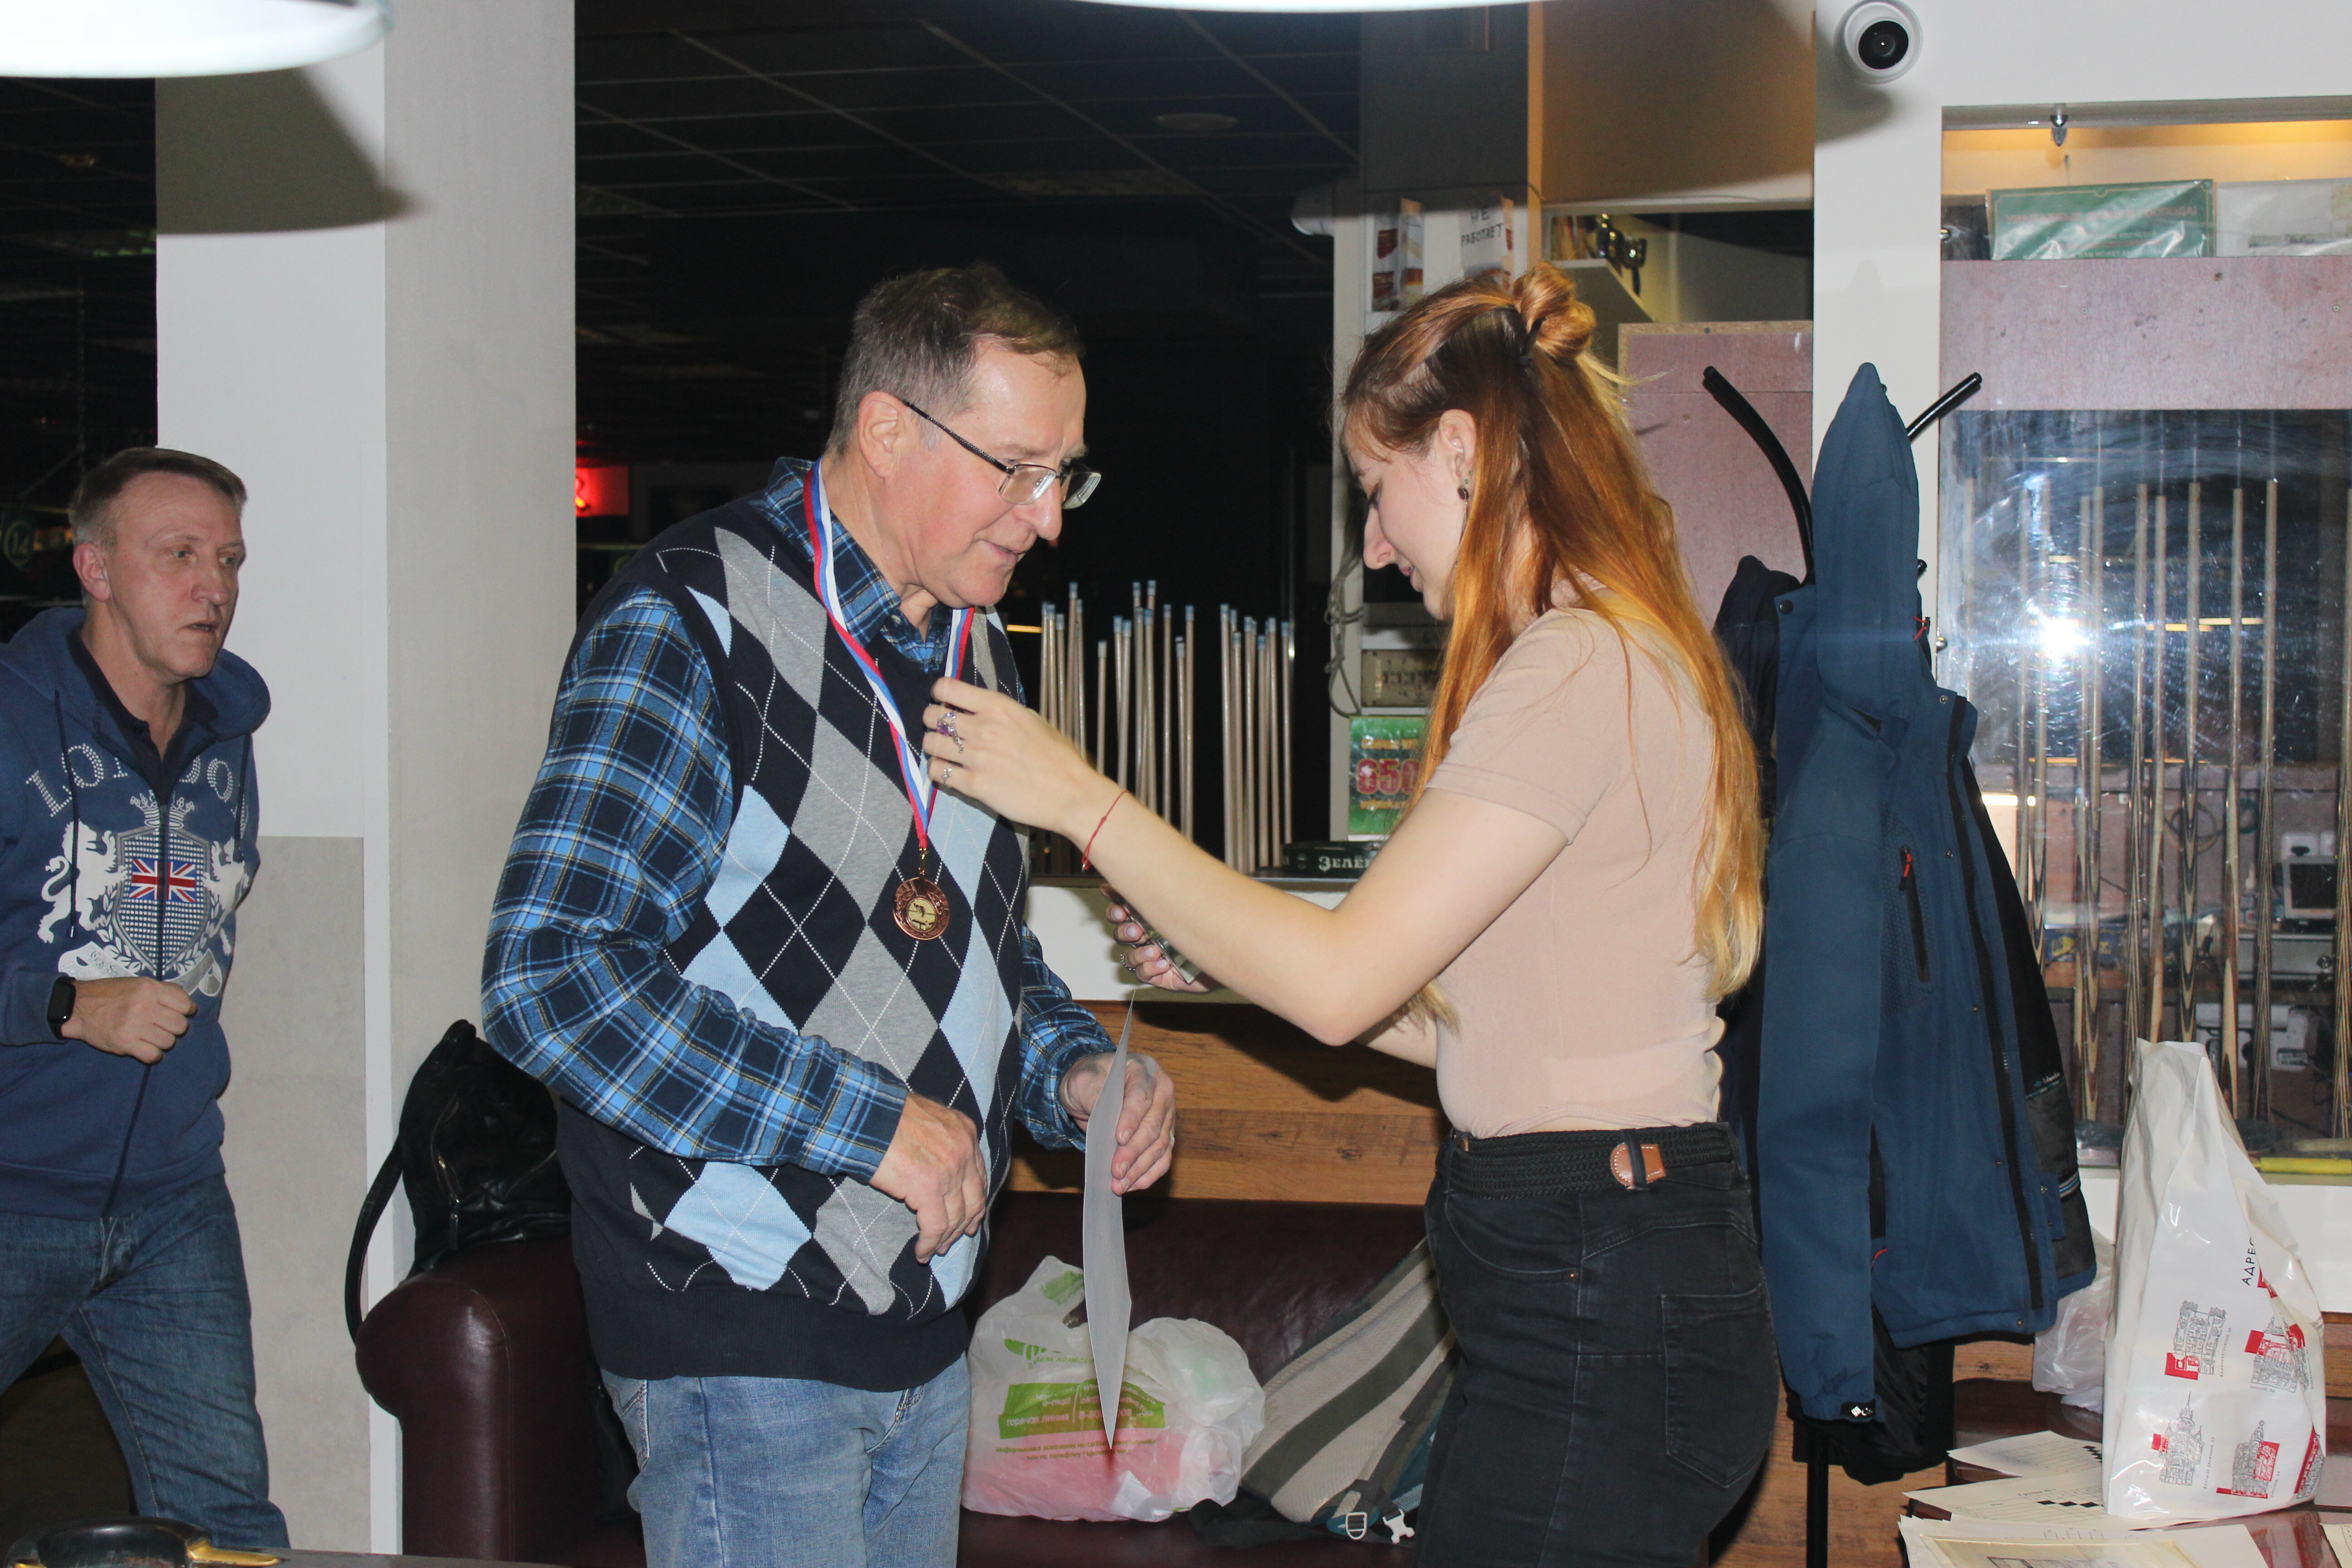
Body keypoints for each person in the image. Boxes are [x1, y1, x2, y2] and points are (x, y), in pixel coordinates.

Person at [915, 263, 1781, 1568]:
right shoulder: (1610, 653)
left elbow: (1338, 982)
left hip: (1597, 1288)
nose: (1372, 545)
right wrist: (1224, 965)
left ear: (1463, 453)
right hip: (1605, 1272)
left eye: (1377, 490)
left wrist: (1080, 799)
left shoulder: (1574, 667)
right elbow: (1469, 1033)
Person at [482, 262, 1176, 1568]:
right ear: (888, 431)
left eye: (1065, 477)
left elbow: (973, 943)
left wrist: (1071, 1074)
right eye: (1018, 471)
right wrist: (869, 1124)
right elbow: (551, 980)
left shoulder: (974, 644)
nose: (1048, 520)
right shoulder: (692, 619)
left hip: (922, 1315)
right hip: (737, 1321)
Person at [0, 449, 283, 1549]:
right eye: (179, 556)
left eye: (229, 561)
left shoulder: (224, 737)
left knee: (228, 1528)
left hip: (171, 1199)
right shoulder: (11, 723)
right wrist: (65, 1008)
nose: (213, 587)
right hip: (14, 1186)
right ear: (96, 569)